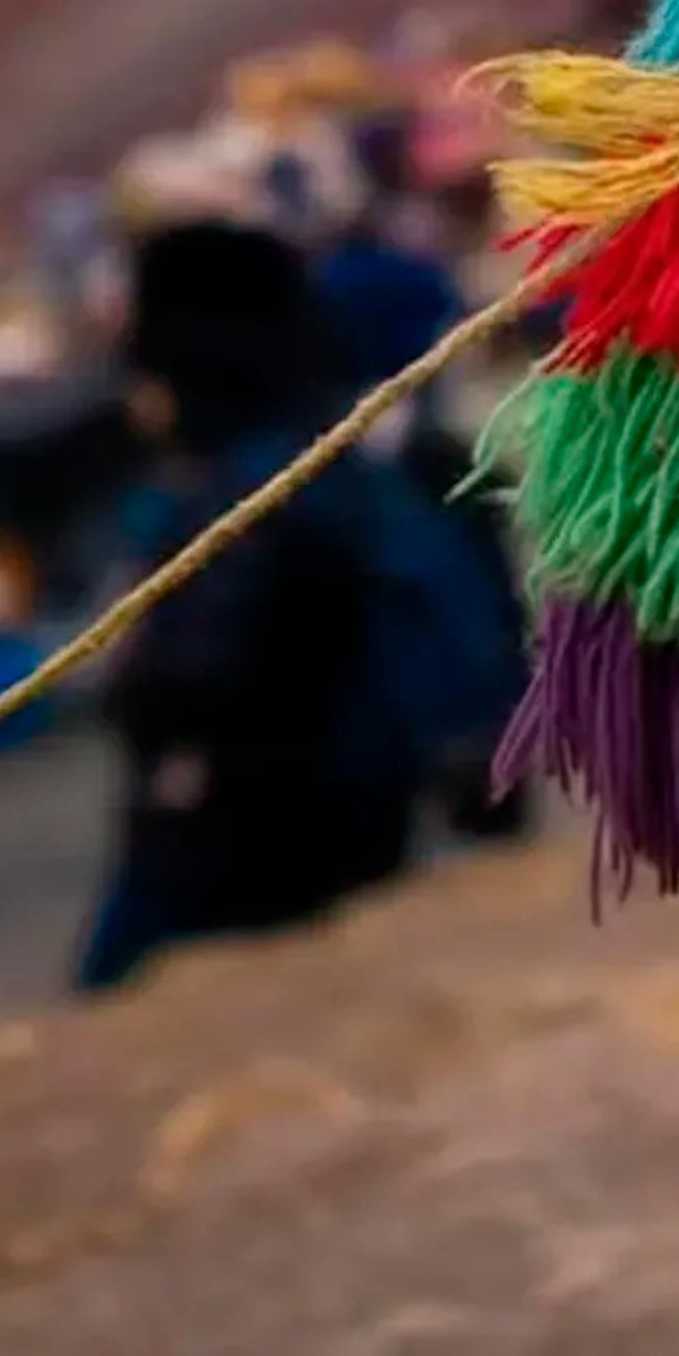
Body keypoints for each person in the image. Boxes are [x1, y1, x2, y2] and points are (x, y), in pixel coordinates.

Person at [73, 217, 518, 993]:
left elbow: (194, 674)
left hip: (259, 835)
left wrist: (132, 688)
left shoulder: (243, 489)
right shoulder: (359, 454)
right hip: (375, 812)